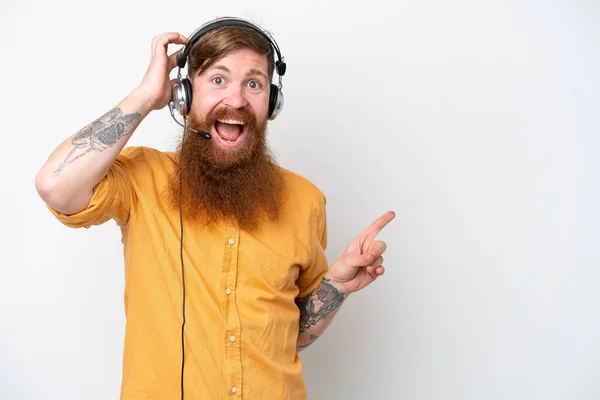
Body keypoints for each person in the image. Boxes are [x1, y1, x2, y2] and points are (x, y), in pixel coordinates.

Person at [34, 17, 395, 400]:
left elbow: (292, 336)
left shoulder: (306, 199)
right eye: (218, 80)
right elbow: (55, 185)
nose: (237, 100)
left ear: (271, 102)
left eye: (253, 83)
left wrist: (337, 286)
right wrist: (145, 96)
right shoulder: (143, 178)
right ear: (184, 96)